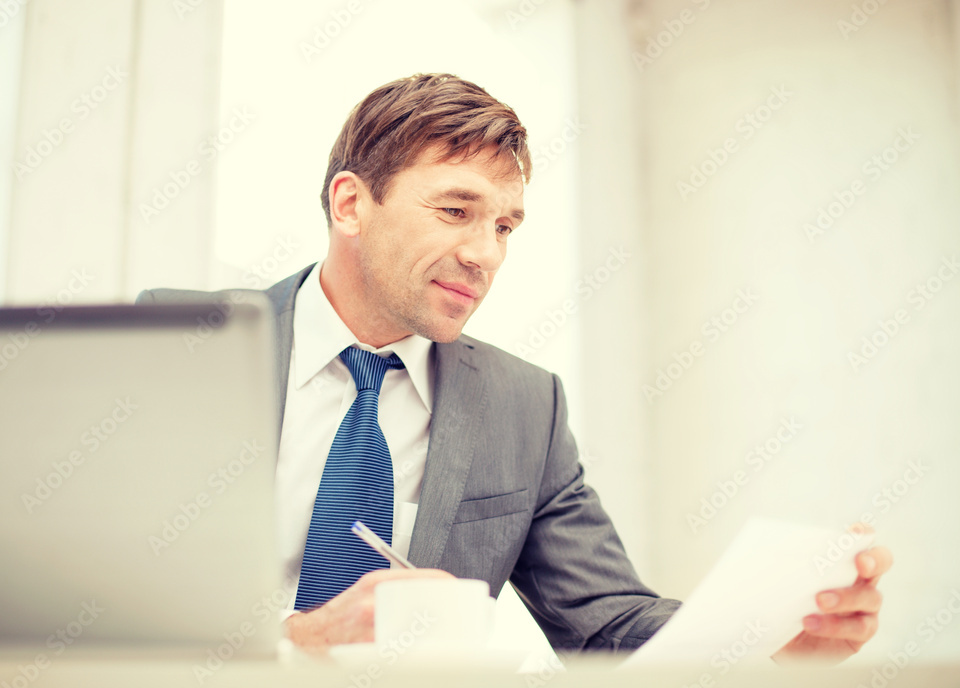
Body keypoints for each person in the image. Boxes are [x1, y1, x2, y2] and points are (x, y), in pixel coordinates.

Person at [137, 73, 891, 660]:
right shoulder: (173, 344)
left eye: (505, 225)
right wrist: (294, 643)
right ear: (350, 204)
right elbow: (74, 600)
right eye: (456, 211)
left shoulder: (524, 407)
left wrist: (766, 641)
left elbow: (607, 622)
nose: (486, 254)